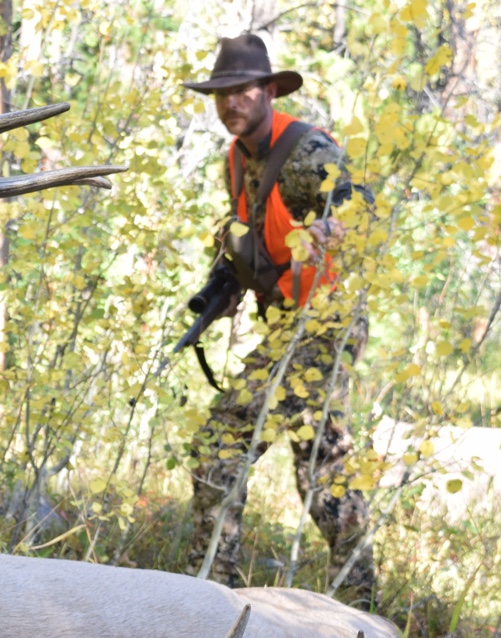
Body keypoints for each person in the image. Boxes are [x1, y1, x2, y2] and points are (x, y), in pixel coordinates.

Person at [180, 34, 375, 608]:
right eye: (221, 94)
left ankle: (209, 600)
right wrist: (232, 285)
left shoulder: (306, 150)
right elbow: (255, 237)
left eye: (242, 91)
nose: (230, 103)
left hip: (324, 323)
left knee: (220, 443)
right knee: (323, 473)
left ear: (268, 91)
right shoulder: (238, 161)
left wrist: (334, 228)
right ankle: (362, 607)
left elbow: (360, 209)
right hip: (293, 320)